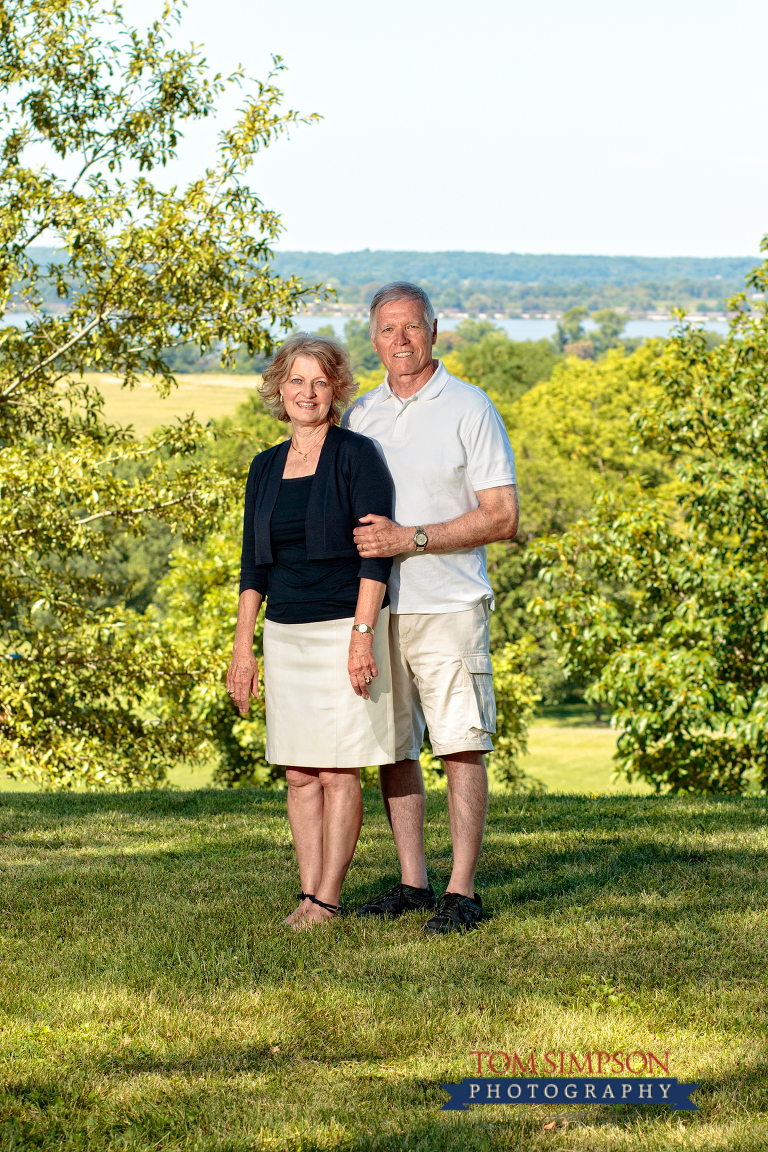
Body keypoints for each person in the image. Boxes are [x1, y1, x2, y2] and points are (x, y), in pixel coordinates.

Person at [341, 283, 519, 935]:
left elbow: (502, 517)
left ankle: (462, 891)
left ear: (434, 330)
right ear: (374, 338)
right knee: (394, 748)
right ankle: (414, 882)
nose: (401, 341)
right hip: (379, 608)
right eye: (388, 330)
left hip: (448, 605)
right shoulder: (361, 417)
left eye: (411, 327)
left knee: (460, 746)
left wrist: (409, 538)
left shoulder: (470, 407)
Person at [227, 332, 396, 929]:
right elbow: (253, 566)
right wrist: (243, 649)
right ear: (279, 388)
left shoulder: (357, 455)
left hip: (339, 629)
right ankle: (306, 895)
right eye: (296, 381)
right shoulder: (265, 467)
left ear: (336, 391)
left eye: (320, 382)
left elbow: (378, 556)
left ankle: (328, 898)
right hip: (285, 633)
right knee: (299, 771)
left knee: (337, 767)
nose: (307, 392)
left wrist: (360, 635)